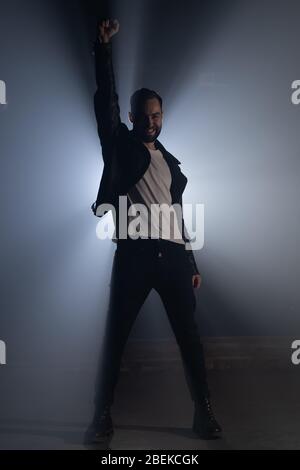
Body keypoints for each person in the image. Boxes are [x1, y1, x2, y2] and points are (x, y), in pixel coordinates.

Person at [87, 18, 222, 443]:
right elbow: (104, 103)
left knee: (190, 342)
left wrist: (191, 259)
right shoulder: (120, 146)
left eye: (157, 115)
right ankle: (101, 417)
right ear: (131, 117)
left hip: (174, 259)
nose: (151, 121)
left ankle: (204, 414)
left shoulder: (170, 162)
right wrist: (103, 50)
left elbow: (176, 215)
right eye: (144, 115)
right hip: (135, 257)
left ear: (163, 116)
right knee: (115, 340)